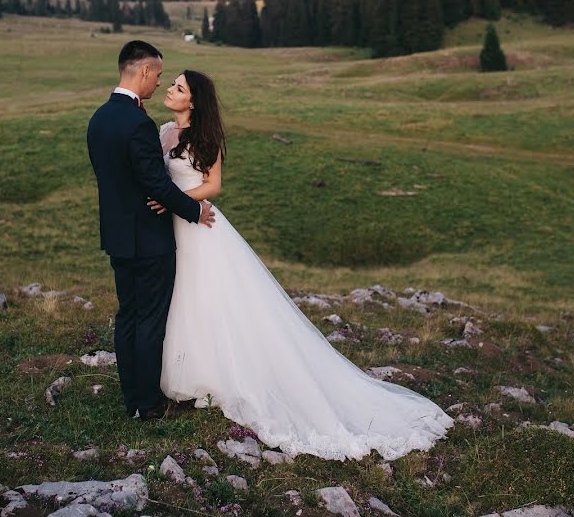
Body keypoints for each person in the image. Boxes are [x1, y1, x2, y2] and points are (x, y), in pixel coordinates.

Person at [148, 70, 453, 460]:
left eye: (178, 88)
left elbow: (213, 185)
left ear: (193, 101)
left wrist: (179, 201)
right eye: (171, 84)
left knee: (211, 298)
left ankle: (220, 379)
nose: (170, 91)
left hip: (199, 224)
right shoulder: (164, 131)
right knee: (186, 299)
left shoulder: (205, 137)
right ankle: (190, 375)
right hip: (179, 225)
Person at [86, 41, 215, 421]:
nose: (159, 82)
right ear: (143, 71)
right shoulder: (138, 123)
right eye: (158, 74)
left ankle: (133, 400)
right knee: (150, 320)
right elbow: (155, 184)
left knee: (128, 316)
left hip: (117, 237)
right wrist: (194, 210)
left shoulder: (99, 118)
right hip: (149, 239)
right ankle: (149, 403)